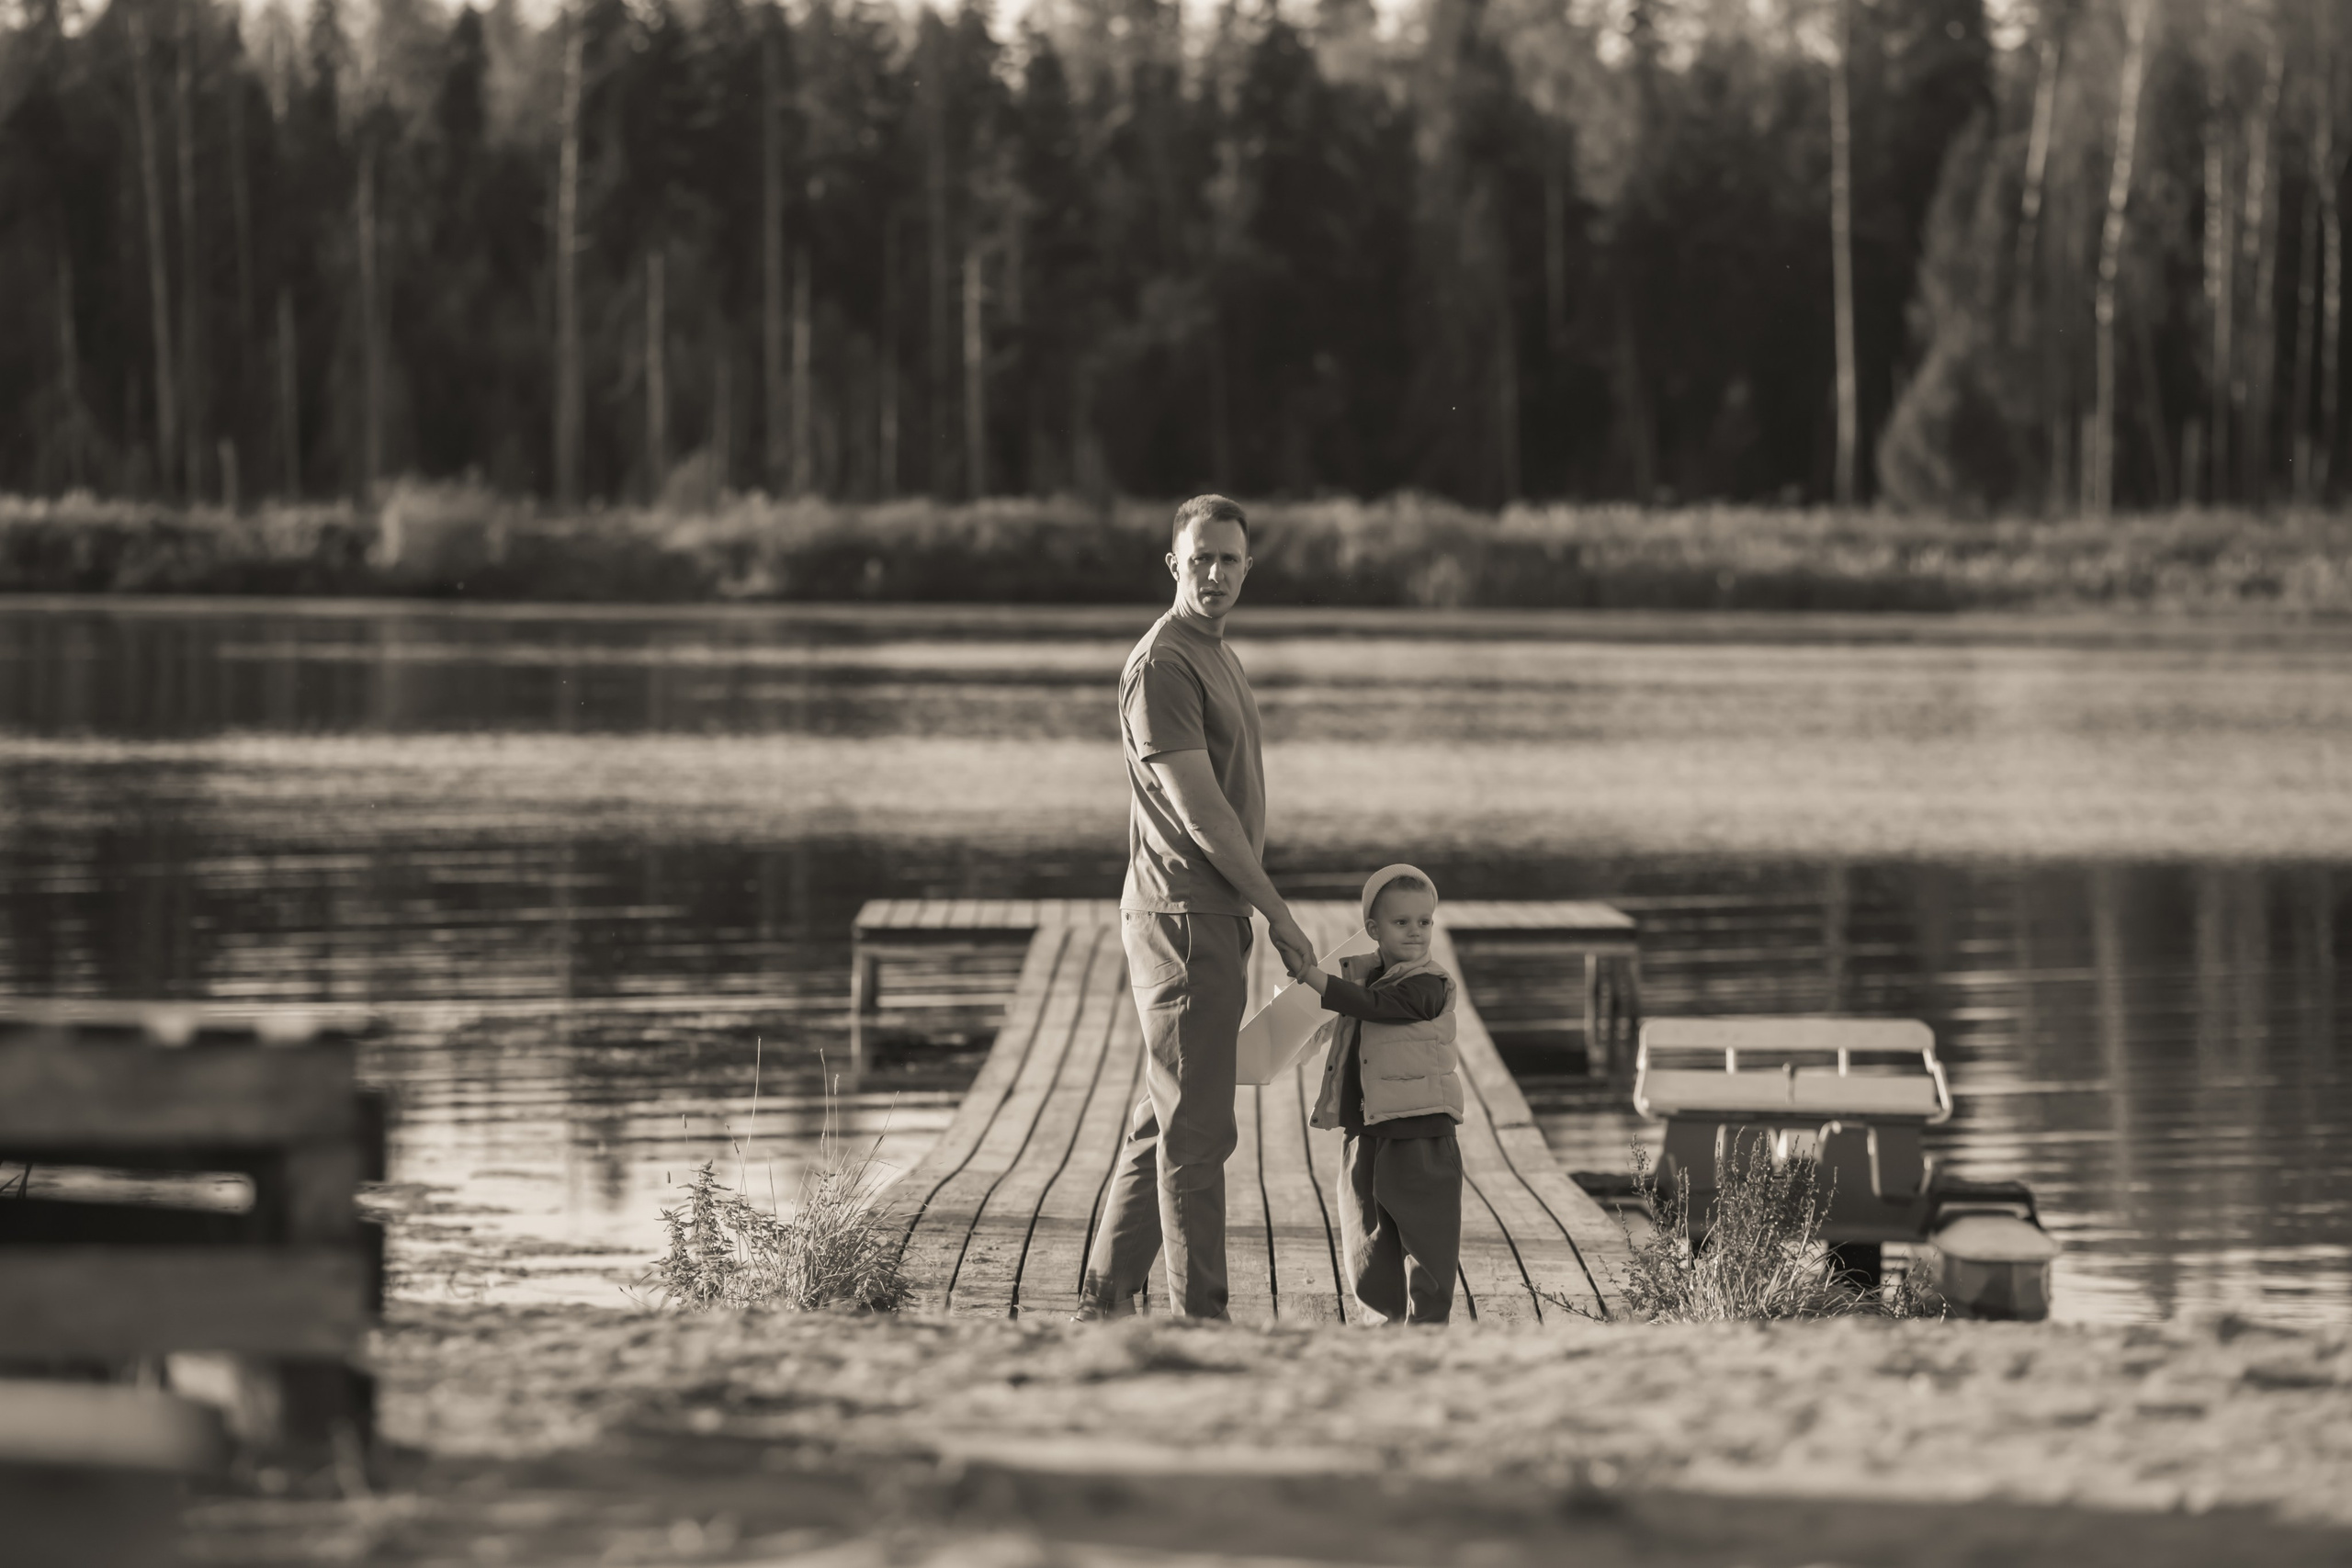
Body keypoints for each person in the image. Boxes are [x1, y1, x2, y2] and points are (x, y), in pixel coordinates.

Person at [1076, 494, 1316, 1322]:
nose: (1215, 573)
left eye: (1230, 559)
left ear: (1250, 566)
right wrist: (1281, 917)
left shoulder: (1218, 651)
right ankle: (1203, 1318)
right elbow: (1203, 814)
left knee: (1169, 1115)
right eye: (1201, 557)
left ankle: (1104, 1300)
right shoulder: (1164, 664)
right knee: (1199, 1133)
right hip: (1183, 915)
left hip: (1210, 915)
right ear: (1173, 563)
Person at [1299, 864, 1464, 1326]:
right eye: (1401, 922)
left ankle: (1429, 1327)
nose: (1416, 932)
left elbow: (1376, 1007)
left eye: (1425, 921)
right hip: (1365, 1129)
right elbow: (1350, 1013)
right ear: (1373, 929)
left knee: (1428, 1240)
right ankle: (1382, 1325)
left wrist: (1315, 979)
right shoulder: (1364, 976)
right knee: (1366, 1239)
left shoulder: (1429, 985)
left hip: (1421, 1131)